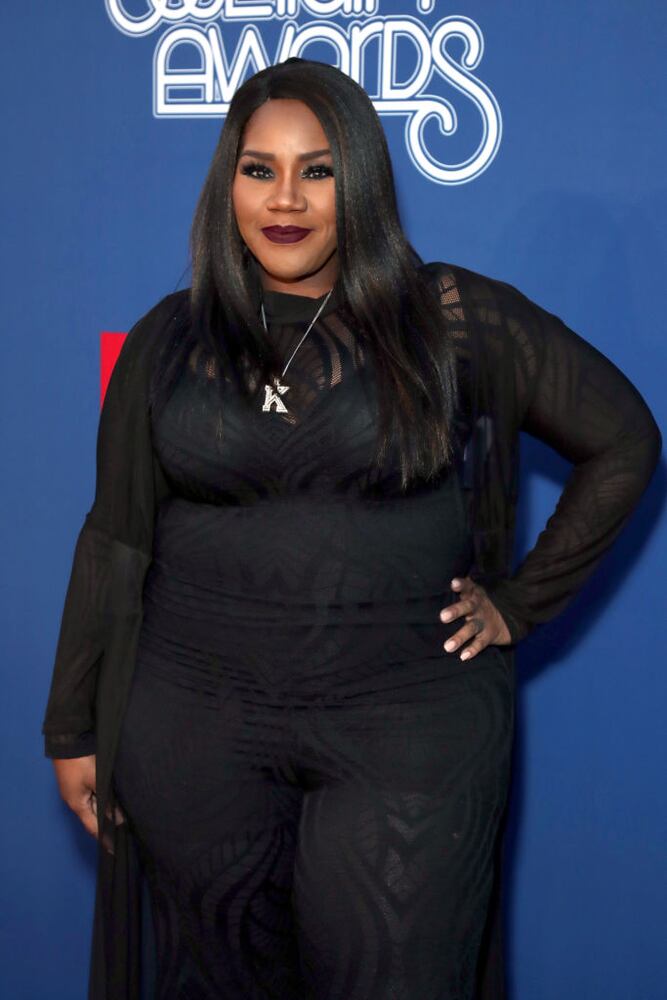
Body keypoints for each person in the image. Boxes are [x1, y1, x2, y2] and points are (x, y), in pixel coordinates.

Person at [42, 57, 662, 1000]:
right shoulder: (167, 339)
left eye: (318, 170)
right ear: (227, 184)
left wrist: (519, 603)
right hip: (193, 732)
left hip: (406, 732)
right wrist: (71, 726)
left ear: (361, 182)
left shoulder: (452, 319)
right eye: (259, 169)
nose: (284, 199)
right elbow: (113, 537)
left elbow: (623, 441)